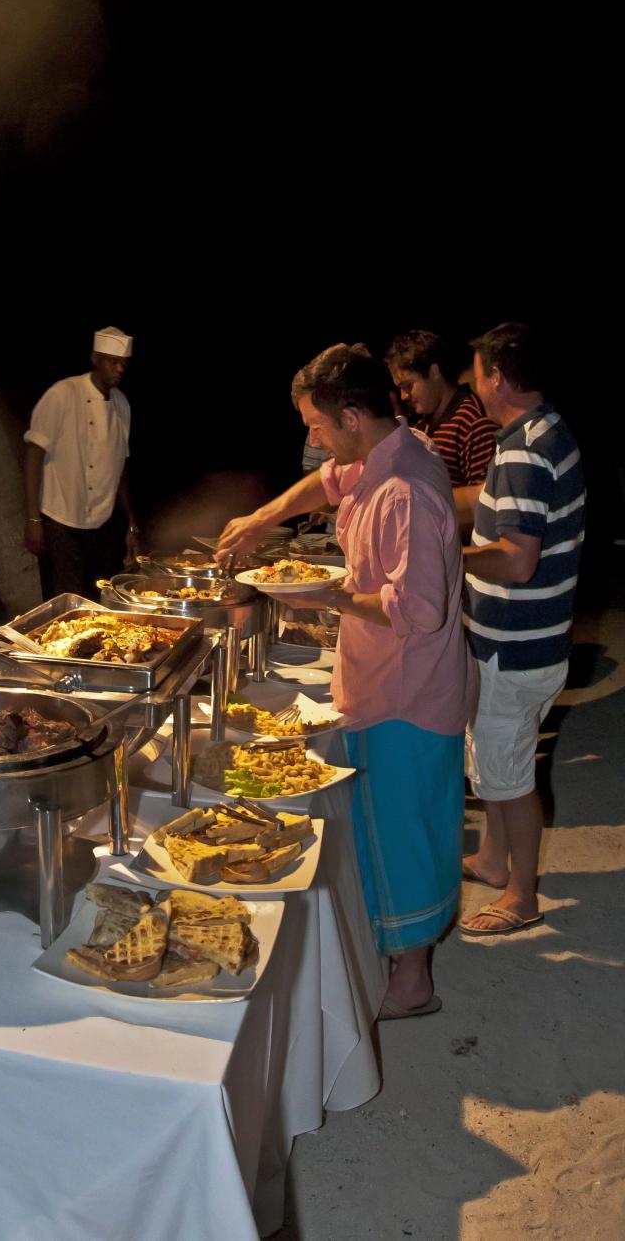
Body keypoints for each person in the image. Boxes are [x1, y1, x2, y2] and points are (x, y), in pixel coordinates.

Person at [218, 344, 471, 1017]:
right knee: (393, 826)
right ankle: (396, 953)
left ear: (353, 416)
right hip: (380, 680)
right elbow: (326, 482)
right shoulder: (381, 452)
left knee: (404, 832)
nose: (313, 438)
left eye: (317, 424)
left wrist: (327, 596)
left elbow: (418, 608)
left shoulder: (406, 489)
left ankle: (412, 980)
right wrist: (263, 517)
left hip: (407, 694)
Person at [458, 323, 584, 937]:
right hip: (527, 640)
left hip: (515, 644)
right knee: (497, 764)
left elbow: (516, 558)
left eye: (477, 371)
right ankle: (491, 860)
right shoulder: (545, 429)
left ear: (497, 377)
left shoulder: (524, 451)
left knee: (510, 777)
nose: (473, 382)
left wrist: (449, 556)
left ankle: (521, 896)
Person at [23, 326, 140, 597]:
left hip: (101, 520)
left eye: (124, 363)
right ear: (95, 359)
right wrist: (32, 519)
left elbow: (120, 466)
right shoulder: (63, 393)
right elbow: (33, 455)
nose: (120, 369)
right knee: (65, 598)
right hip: (59, 518)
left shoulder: (122, 404)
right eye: (113, 362)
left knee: (99, 595)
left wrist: (131, 524)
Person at [385, 329, 496, 491]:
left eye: (408, 386)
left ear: (434, 372)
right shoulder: (423, 425)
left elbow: (485, 500)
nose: (403, 396)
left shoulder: (473, 425)